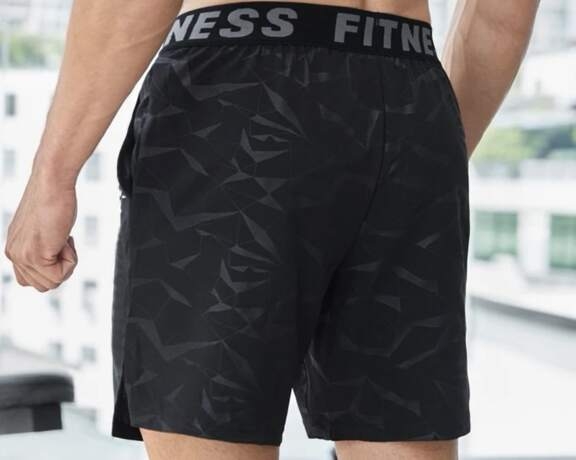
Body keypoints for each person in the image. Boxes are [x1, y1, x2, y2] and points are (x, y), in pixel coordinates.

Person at [3, 0, 540, 459]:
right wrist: (422, 156)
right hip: (413, 92)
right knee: (400, 438)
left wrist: (52, 175)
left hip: (242, 94)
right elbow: (503, 13)